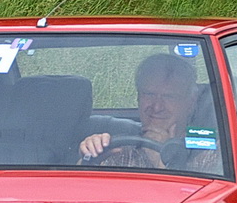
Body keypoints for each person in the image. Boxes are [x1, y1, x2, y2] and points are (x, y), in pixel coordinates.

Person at [78, 53, 221, 171]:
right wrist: (89, 156)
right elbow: (83, 193)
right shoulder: (119, 148)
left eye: (169, 96)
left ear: (190, 103)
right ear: (138, 98)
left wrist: (161, 158)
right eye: (149, 94)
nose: (157, 106)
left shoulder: (212, 151)